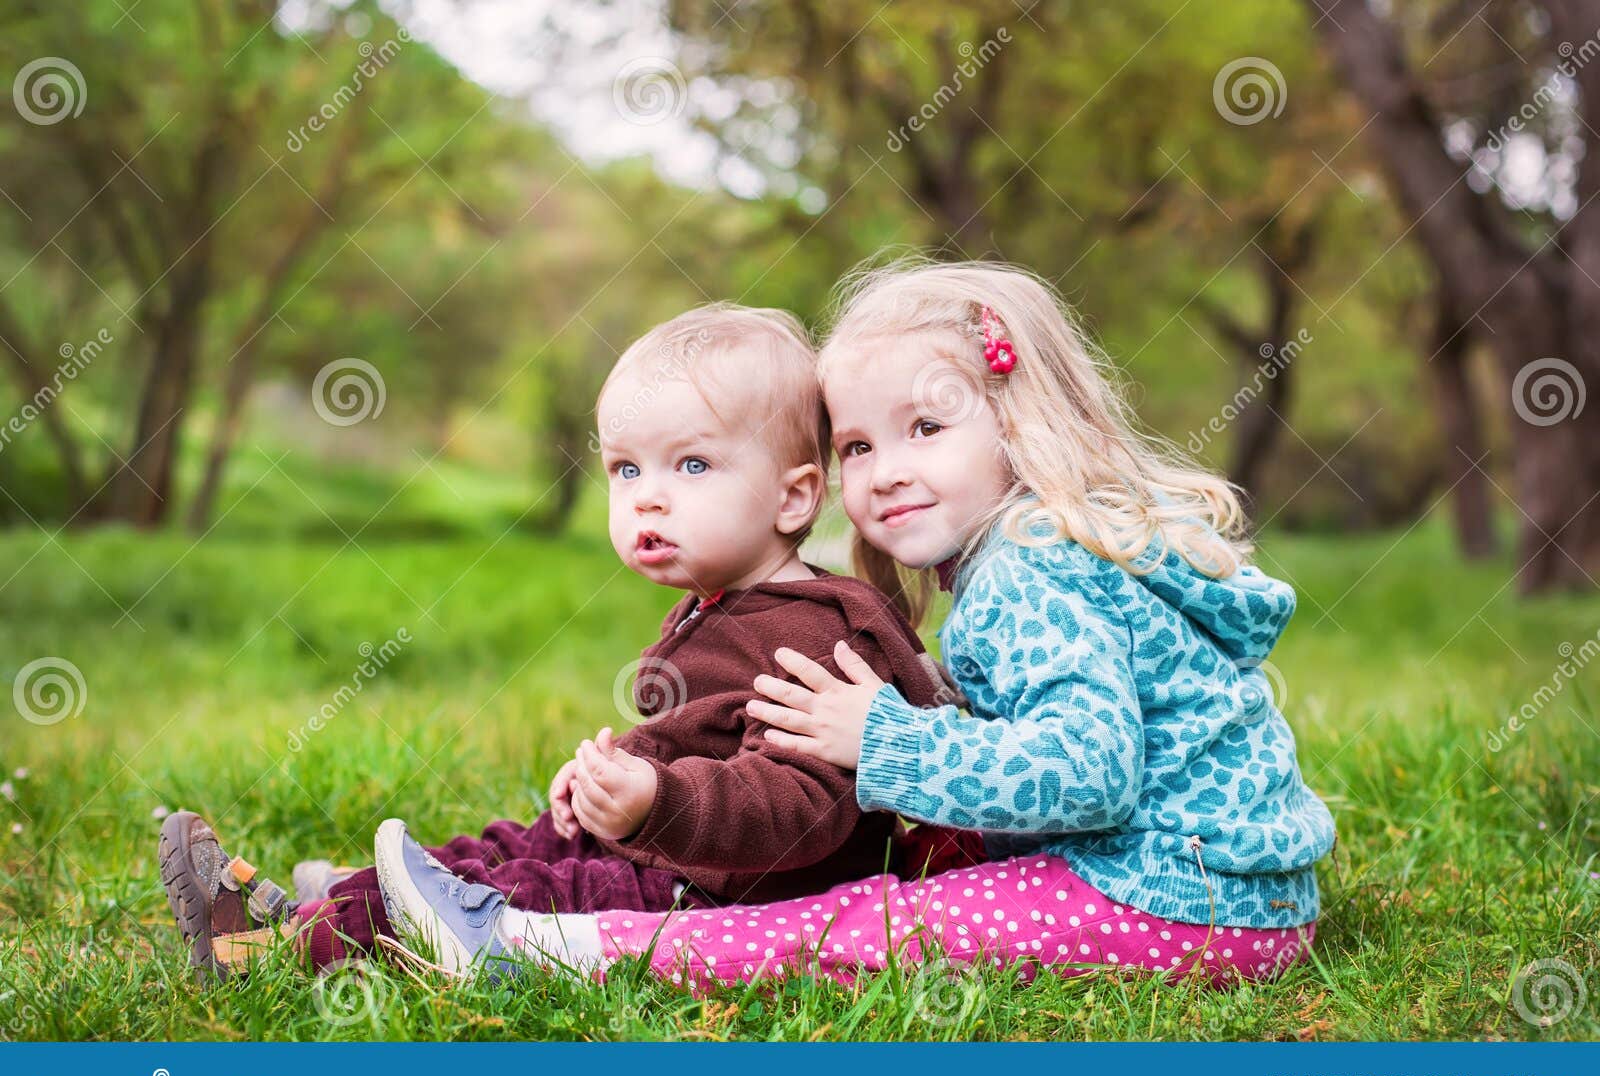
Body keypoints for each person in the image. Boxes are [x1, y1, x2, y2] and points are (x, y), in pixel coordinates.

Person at [377, 259, 1337, 991]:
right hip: (1238, 894)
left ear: (1021, 421)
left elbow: (1091, 774)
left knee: (866, 924)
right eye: (859, 445)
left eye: (927, 429)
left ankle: (535, 946)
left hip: (1178, 902)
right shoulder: (1042, 555)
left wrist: (888, 742)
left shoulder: (1034, 575)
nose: (883, 472)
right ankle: (416, 886)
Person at [158, 303, 974, 980]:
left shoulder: (816, 636)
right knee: (537, 837)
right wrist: (621, 774)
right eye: (626, 471)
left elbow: (802, 809)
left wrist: (661, 801)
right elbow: (708, 735)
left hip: (725, 901)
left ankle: (273, 945)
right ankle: (341, 895)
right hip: (681, 850)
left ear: (795, 498)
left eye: (691, 467)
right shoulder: (728, 602)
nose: (648, 499)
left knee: (531, 888)